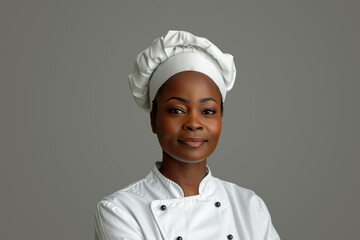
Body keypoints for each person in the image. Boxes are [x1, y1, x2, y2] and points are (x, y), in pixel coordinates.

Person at [95, 30, 280, 240]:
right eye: (176, 110)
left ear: (221, 117)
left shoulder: (249, 206)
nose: (194, 124)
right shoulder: (121, 211)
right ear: (153, 118)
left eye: (208, 111)